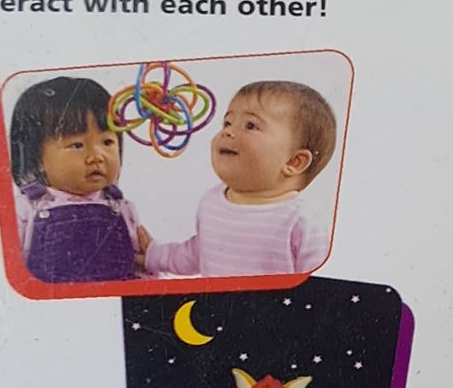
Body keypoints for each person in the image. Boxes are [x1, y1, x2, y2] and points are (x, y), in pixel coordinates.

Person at [142, 80, 336, 277]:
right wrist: (153, 254)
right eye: (227, 123)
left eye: (250, 125)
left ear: (294, 161)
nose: (228, 131)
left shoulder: (303, 222)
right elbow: (197, 253)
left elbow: (322, 285)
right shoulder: (211, 202)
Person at [8, 77, 149, 283]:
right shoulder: (25, 210)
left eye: (107, 142)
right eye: (76, 145)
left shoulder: (123, 208)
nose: (96, 156)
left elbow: (140, 270)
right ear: (37, 158)